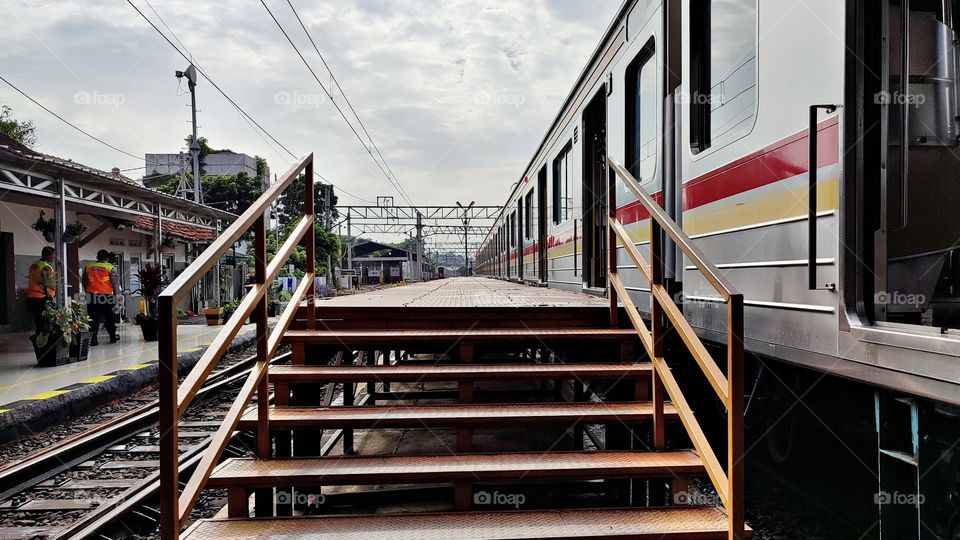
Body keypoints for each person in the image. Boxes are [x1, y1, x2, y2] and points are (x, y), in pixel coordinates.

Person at [83, 249, 120, 345]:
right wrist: (118, 297)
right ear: (107, 258)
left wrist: (87, 292)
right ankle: (112, 337)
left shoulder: (88, 266)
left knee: (93, 318)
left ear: (97, 257)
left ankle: (94, 339)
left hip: (92, 296)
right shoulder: (109, 267)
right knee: (110, 317)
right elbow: (115, 284)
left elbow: (84, 281)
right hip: (107, 296)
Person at [26, 246, 56, 335]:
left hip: (32, 297)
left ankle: (39, 341)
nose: (55, 257)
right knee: (44, 324)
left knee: (38, 322)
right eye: (53, 255)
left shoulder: (35, 265)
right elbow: (51, 284)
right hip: (42, 298)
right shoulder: (46, 267)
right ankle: (42, 344)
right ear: (47, 255)